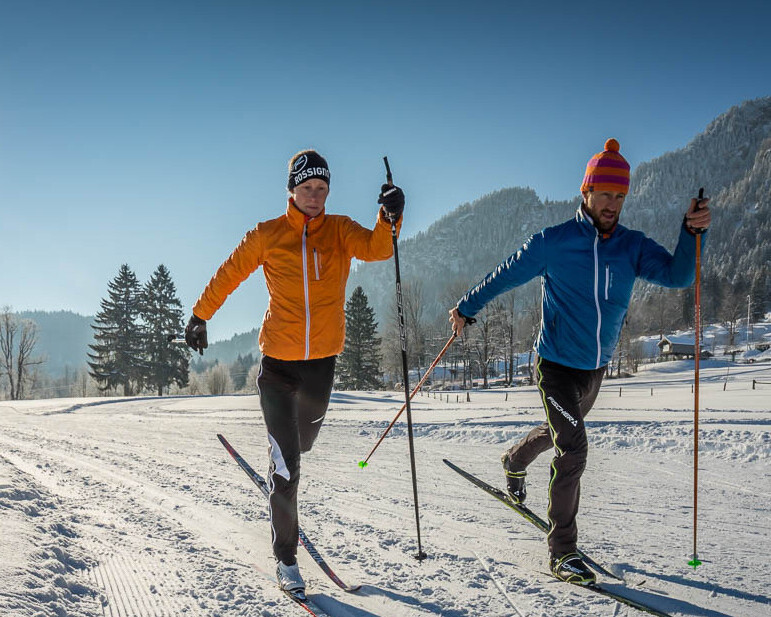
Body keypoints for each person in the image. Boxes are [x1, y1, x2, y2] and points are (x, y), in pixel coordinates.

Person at [448, 139, 711, 585]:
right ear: (586, 192)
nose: (613, 205)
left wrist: (691, 233)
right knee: (574, 447)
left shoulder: (632, 247)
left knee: (559, 434)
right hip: (553, 366)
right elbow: (505, 274)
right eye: (605, 194)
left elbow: (679, 275)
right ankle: (562, 551)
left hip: (595, 370)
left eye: (620, 196)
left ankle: (513, 459)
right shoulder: (554, 243)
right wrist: (466, 307)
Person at [185, 149, 404, 595]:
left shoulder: (341, 231)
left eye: (322, 188)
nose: (315, 196)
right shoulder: (268, 235)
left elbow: (379, 249)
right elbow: (229, 272)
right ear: (292, 189)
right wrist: (200, 314)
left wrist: (390, 217)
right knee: (288, 467)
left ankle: (280, 465)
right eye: (307, 188)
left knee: (302, 444)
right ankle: (287, 561)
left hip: (322, 366)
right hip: (278, 367)